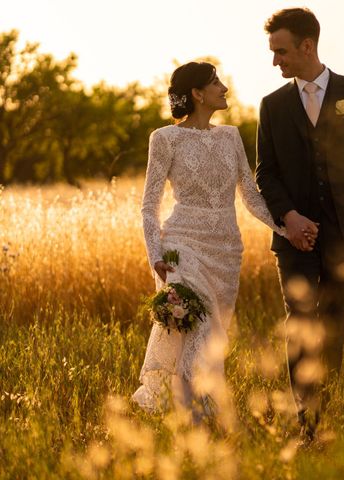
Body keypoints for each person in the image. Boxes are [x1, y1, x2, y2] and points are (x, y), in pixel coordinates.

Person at [132, 62, 298, 422]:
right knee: (197, 328)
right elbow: (149, 205)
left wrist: (286, 228)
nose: (224, 88)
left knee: (213, 338)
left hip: (225, 250)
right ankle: (195, 420)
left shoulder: (231, 136)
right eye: (216, 82)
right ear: (197, 93)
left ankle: (193, 419)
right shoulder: (164, 139)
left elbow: (250, 195)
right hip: (183, 246)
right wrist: (155, 256)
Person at [256, 8, 344, 443]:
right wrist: (289, 217)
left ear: (307, 46)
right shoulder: (272, 106)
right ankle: (304, 420)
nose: (276, 61)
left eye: (281, 51)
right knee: (299, 321)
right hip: (293, 238)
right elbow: (266, 173)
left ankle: (321, 411)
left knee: (335, 326)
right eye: (274, 52)